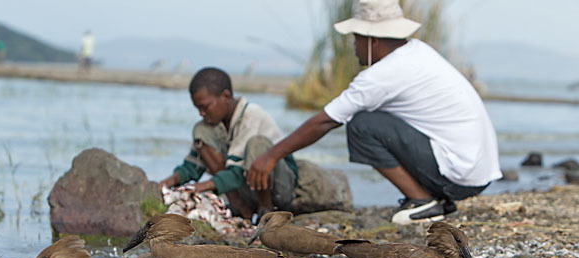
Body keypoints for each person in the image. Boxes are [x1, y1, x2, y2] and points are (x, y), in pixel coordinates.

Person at [246, 0, 502, 225]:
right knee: (371, 120)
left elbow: (325, 121)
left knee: (361, 125)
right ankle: (435, 200)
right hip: (475, 171)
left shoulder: (382, 75)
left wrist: (270, 156)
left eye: (356, 38)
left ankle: (422, 201)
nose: (354, 46)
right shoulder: (417, 51)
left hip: (459, 176)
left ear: (372, 40)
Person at [159, 67, 298, 221]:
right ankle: (240, 207)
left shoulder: (252, 116)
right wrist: (169, 182)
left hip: (279, 189)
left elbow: (238, 172)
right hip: (247, 188)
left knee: (257, 145)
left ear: (226, 96)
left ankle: (266, 212)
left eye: (205, 107)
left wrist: (201, 186)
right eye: (198, 108)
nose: (201, 113)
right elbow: (193, 166)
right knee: (201, 130)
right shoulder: (214, 126)